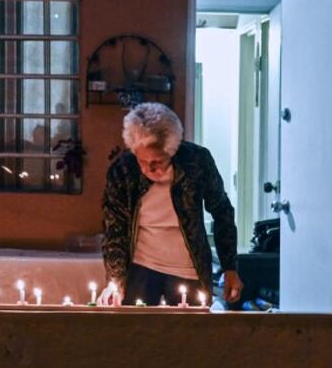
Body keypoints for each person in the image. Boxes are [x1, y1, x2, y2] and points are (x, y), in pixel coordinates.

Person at [100, 102, 243, 306]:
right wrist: (115, 280)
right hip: (140, 269)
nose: (149, 169)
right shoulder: (123, 171)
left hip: (189, 270)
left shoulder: (197, 161)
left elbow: (223, 212)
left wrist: (230, 267)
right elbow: (114, 230)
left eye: (157, 162)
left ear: (172, 150)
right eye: (142, 161)